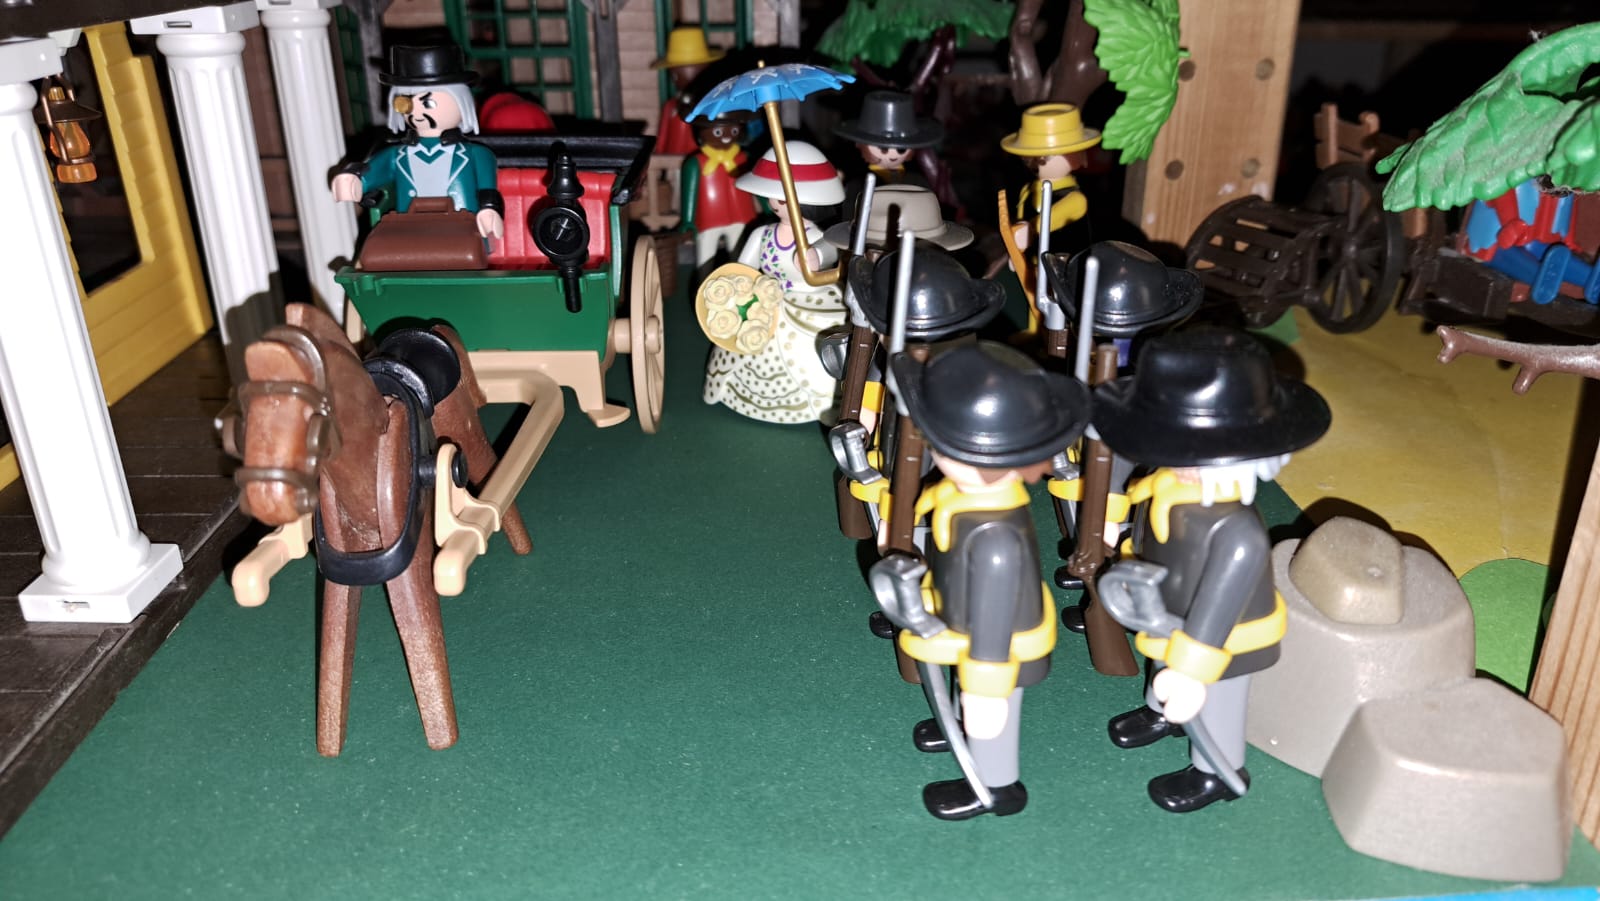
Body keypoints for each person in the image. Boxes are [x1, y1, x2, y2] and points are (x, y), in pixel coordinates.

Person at [1092, 329, 1331, 813]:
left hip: (1225, 637)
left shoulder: (1236, 532)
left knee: (1216, 698)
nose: (1183, 463)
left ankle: (1217, 771)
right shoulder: (1162, 487)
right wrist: (1117, 530)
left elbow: (1219, 608)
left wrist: (1192, 669)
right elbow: (1148, 528)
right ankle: (1164, 712)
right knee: (1164, 661)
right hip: (1169, 610)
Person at [869, 341, 1089, 820]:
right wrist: (900, 522)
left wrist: (986, 690)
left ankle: (995, 785)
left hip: (1000, 647)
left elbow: (993, 627)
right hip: (960, 613)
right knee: (963, 686)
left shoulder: (996, 539)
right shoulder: (964, 495)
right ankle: (962, 725)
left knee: (995, 719)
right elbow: (935, 504)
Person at [703, 141, 846, 424]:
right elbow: (743, 268)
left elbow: (830, 251)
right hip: (764, 300)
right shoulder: (762, 234)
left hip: (808, 299)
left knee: (813, 345)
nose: (776, 203)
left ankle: (820, 402)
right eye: (774, 197)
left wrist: (816, 255)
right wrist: (739, 289)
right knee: (747, 336)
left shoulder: (817, 236)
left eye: (783, 198)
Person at [332, 45, 503, 242]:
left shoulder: (477, 154)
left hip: (463, 235)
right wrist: (355, 177)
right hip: (411, 236)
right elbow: (374, 169)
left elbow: (488, 190)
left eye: (428, 103)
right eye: (407, 104)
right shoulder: (398, 155)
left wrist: (490, 210)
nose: (417, 112)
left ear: (460, 101)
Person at [1001, 103, 1100, 253]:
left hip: (1065, 265)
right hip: (1033, 263)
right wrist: (1017, 254)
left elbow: (1047, 221)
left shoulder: (1075, 199)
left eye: (1045, 157)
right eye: (1029, 157)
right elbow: (1020, 226)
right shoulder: (1027, 191)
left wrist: (1029, 231)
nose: (1035, 162)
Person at [679, 114, 759, 268]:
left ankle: (741, 280)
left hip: (740, 215)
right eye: (718, 132)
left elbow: (754, 183)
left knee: (740, 257)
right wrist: (688, 220)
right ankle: (704, 282)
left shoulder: (743, 158)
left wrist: (766, 203)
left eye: (734, 131)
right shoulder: (696, 163)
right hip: (709, 218)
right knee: (706, 259)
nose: (727, 136)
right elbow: (690, 192)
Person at [651, 27, 724, 156]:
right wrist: (659, 154)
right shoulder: (670, 106)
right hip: (671, 157)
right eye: (675, 73)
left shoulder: (709, 105)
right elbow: (662, 135)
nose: (681, 76)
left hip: (699, 157)